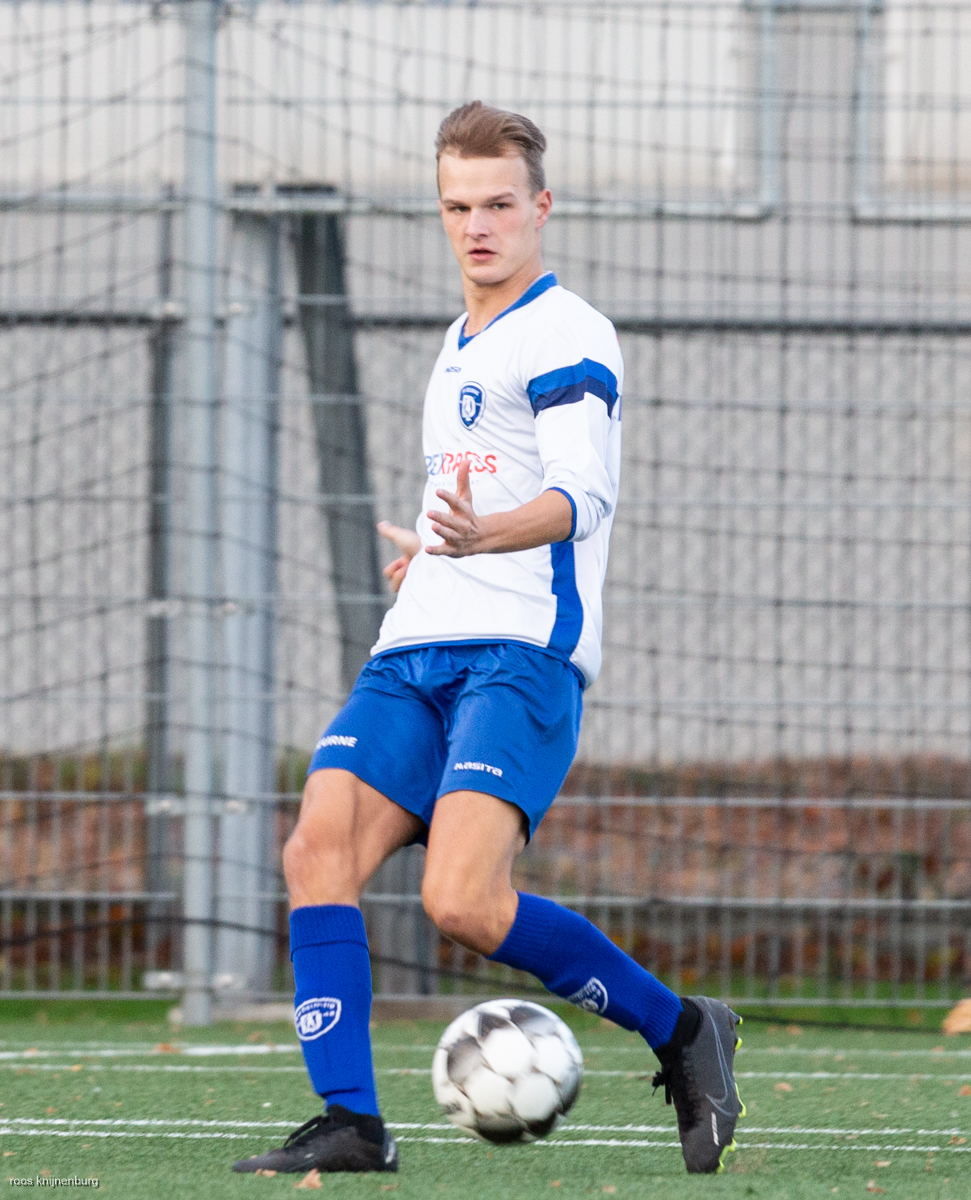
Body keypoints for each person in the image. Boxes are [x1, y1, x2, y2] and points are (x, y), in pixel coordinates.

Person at [233, 101, 743, 1180]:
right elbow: (477, 486)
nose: (478, 226)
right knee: (315, 850)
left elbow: (578, 498)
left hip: (517, 657)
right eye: (458, 207)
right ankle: (351, 1122)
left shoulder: (568, 333)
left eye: (498, 205)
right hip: (415, 648)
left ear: (539, 207)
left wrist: (481, 538)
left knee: (462, 903)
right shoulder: (457, 339)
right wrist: (435, 548)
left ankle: (683, 1028)